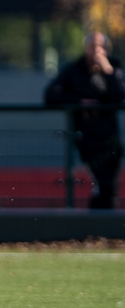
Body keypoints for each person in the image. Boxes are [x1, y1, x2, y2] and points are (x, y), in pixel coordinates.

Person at [45, 32, 125, 209]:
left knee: (110, 186)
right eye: (92, 47)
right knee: (102, 182)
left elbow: (119, 95)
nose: (96, 51)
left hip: (110, 139)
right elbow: (50, 95)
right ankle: (97, 222)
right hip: (87, 139)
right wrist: (79, 102)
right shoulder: (74, 71)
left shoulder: (113, 69)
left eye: (100, 47)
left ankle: (106, 226)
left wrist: (108, 69)